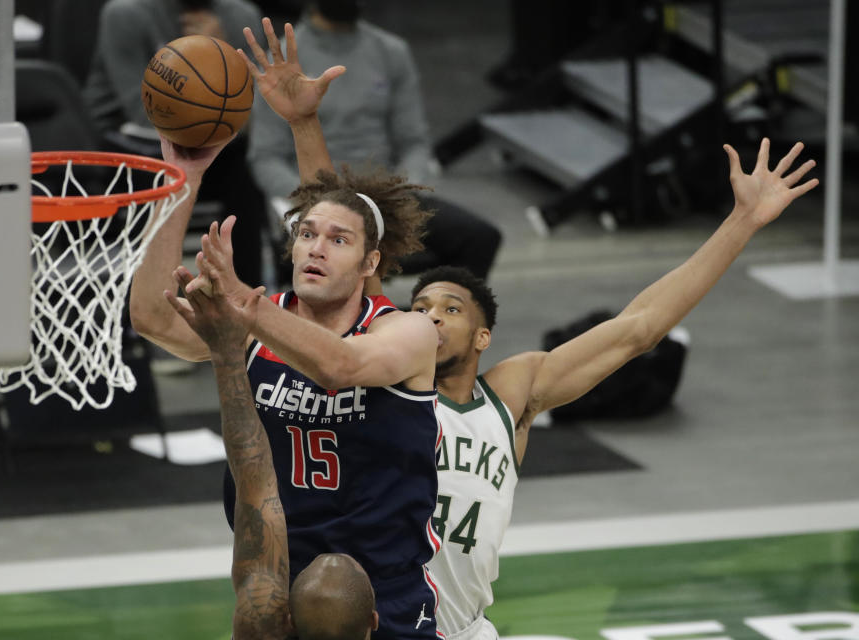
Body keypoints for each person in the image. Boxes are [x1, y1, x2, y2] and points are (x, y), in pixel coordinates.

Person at [407, 138, 818, 640]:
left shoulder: (510, 395)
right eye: (420, 307)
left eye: (450, 309)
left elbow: (639, 328)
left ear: (482, 337)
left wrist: (743, 221)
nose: (431, 317)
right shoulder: (383, 390)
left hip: (467, 629)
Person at [131, 19, 443, 639]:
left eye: (338, 240)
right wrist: (185, 181)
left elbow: (342, 367)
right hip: (276, 589)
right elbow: (151, 316)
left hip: (384, 594)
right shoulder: (254, 324)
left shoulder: (408, 334)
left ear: (371, 263)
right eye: (304, 234)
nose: (315, 248)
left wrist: (242, 303)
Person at [168, 277, 378, 639]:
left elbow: (255, 484)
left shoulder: (259, 624)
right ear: (374, 625)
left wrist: (226, 355)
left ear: (288, 622)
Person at [247, 0, 502, 282]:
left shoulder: (391, 51)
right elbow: (266, 157)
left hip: (386, 197)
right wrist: (317, 203)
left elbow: (413, 142)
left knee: (479, 238)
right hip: (315, 199)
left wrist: (404, 190)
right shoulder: (285, 61)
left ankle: (438, 323)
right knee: (336, 254)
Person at [83, 0, 268, 286]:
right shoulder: (125, 14)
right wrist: (203, 68)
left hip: (219, 143)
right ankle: (141, 303)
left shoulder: (242, 16)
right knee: (148, 167)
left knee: (250, 164)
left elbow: (260, 114)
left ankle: (246, 297)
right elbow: (143, 111)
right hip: (130, 140)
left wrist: (223, 53)